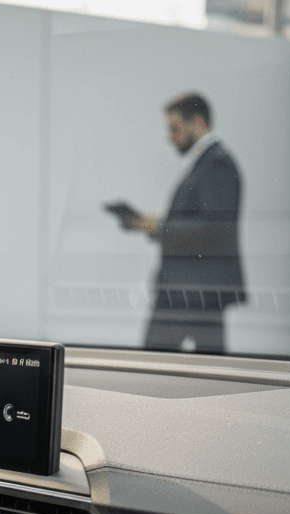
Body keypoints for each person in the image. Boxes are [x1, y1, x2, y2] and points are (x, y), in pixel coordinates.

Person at [124, 93, 244, 353]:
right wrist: (157, 227)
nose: (170, 137)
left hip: (192, 291)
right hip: (190, 289)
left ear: (197, 122)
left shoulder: (216, 164)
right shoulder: (207, 164)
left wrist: (160, 228)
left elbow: (217, 232)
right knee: (203, 370)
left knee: (160, 365)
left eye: (174, 128)